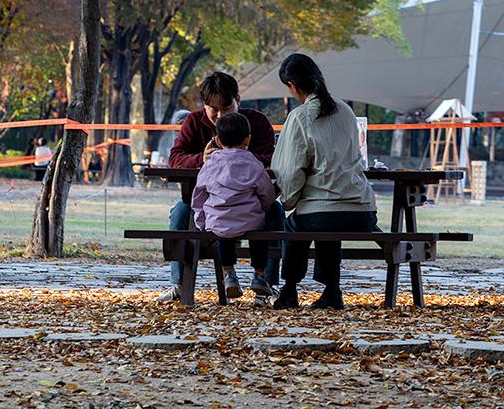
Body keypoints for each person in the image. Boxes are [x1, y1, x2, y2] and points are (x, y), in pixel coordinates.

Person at [158, 71, 283, 303]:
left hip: (249, 202)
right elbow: (175, 158)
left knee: (275, 211)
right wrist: (201, 159)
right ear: (203, 105)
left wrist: (235, 160)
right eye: (213, 109)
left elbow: (271, 156)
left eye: (226, 108)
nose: (219, 115)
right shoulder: (194, 122)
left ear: (238, 100)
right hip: (211, 203)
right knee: (180, 213)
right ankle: (179, 283)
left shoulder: (257, 122)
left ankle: (267, 284)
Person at [271, 53, 376, 310]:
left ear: (292, 86)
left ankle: (289, 289)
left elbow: (291, 170)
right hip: (363, 209)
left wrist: (288, 200)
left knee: (297, 224)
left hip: (324, 212)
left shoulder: (300, 116)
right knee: (327, 218)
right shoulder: (346, 110)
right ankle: (332, 289)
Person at [191, 113, 279, 300]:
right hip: (250, 219)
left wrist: (201, 221)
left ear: (218, 141)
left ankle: (229, 273)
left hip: (218, 220)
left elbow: (198, 196)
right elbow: (267, 193)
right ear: (248, 139)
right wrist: (261, 210)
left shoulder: (210, 164)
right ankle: (259, 274)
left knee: (223, 231)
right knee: (260, 233)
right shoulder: (254, 164)